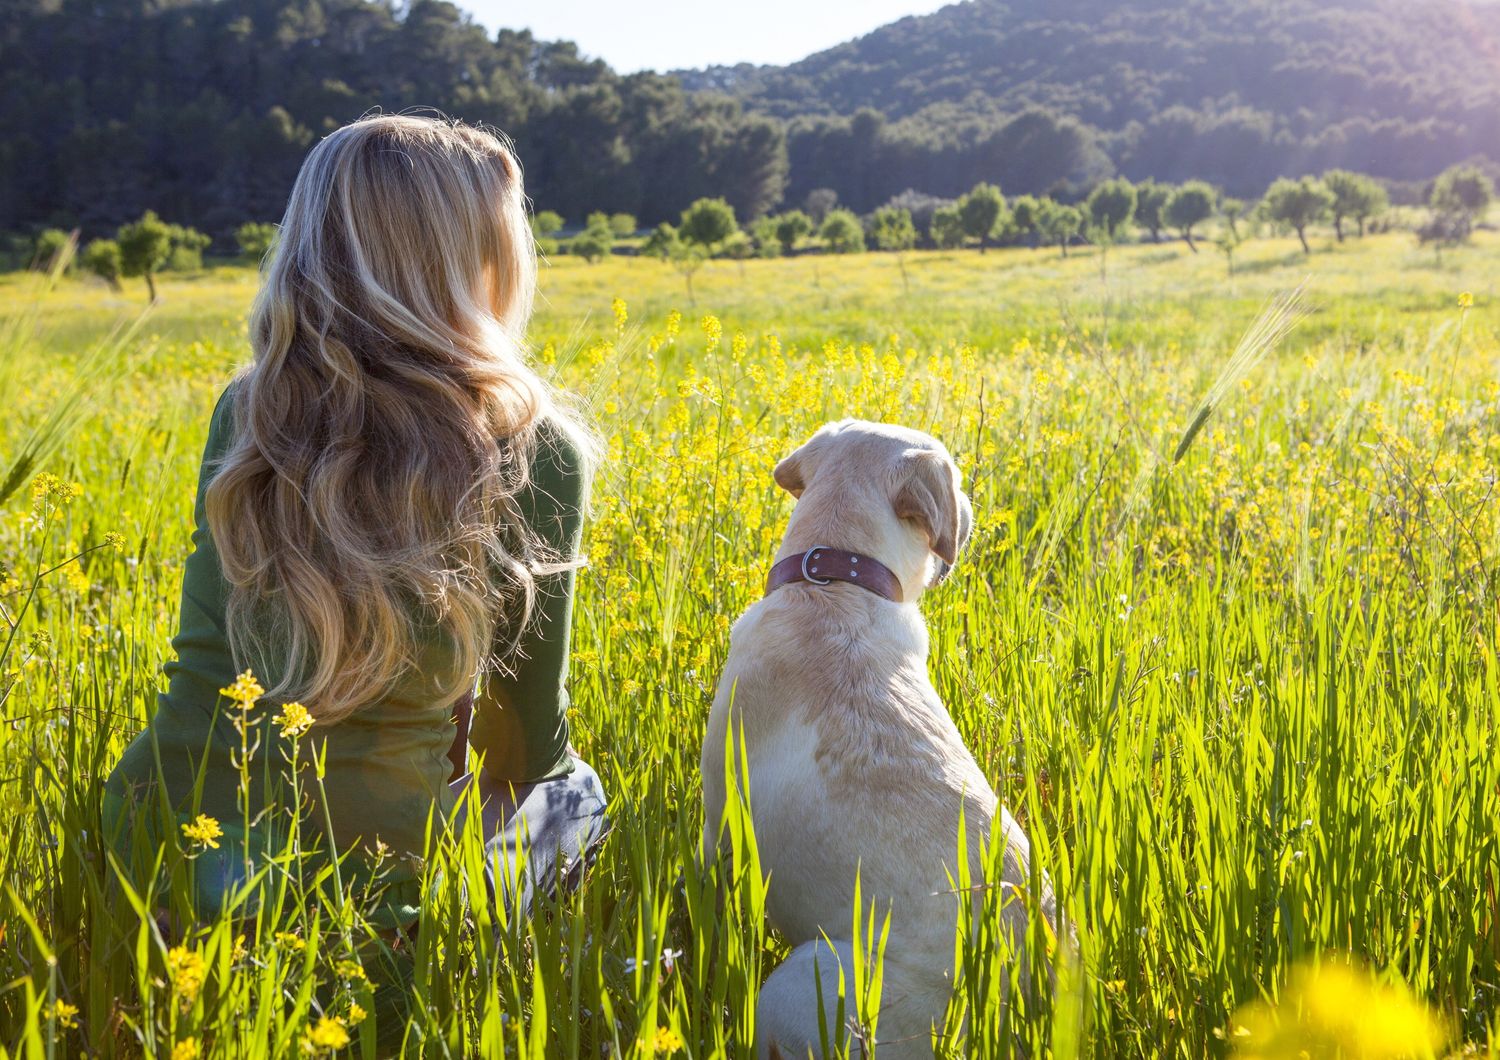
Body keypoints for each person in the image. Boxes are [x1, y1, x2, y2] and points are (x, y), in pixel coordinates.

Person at [103, 114, 607, 931]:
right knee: (574, 795)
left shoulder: (251, 411)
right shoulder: (529, 446)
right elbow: (525, 749)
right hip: (373, 880)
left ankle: (200, 916)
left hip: (158, 828)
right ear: (470, 258)